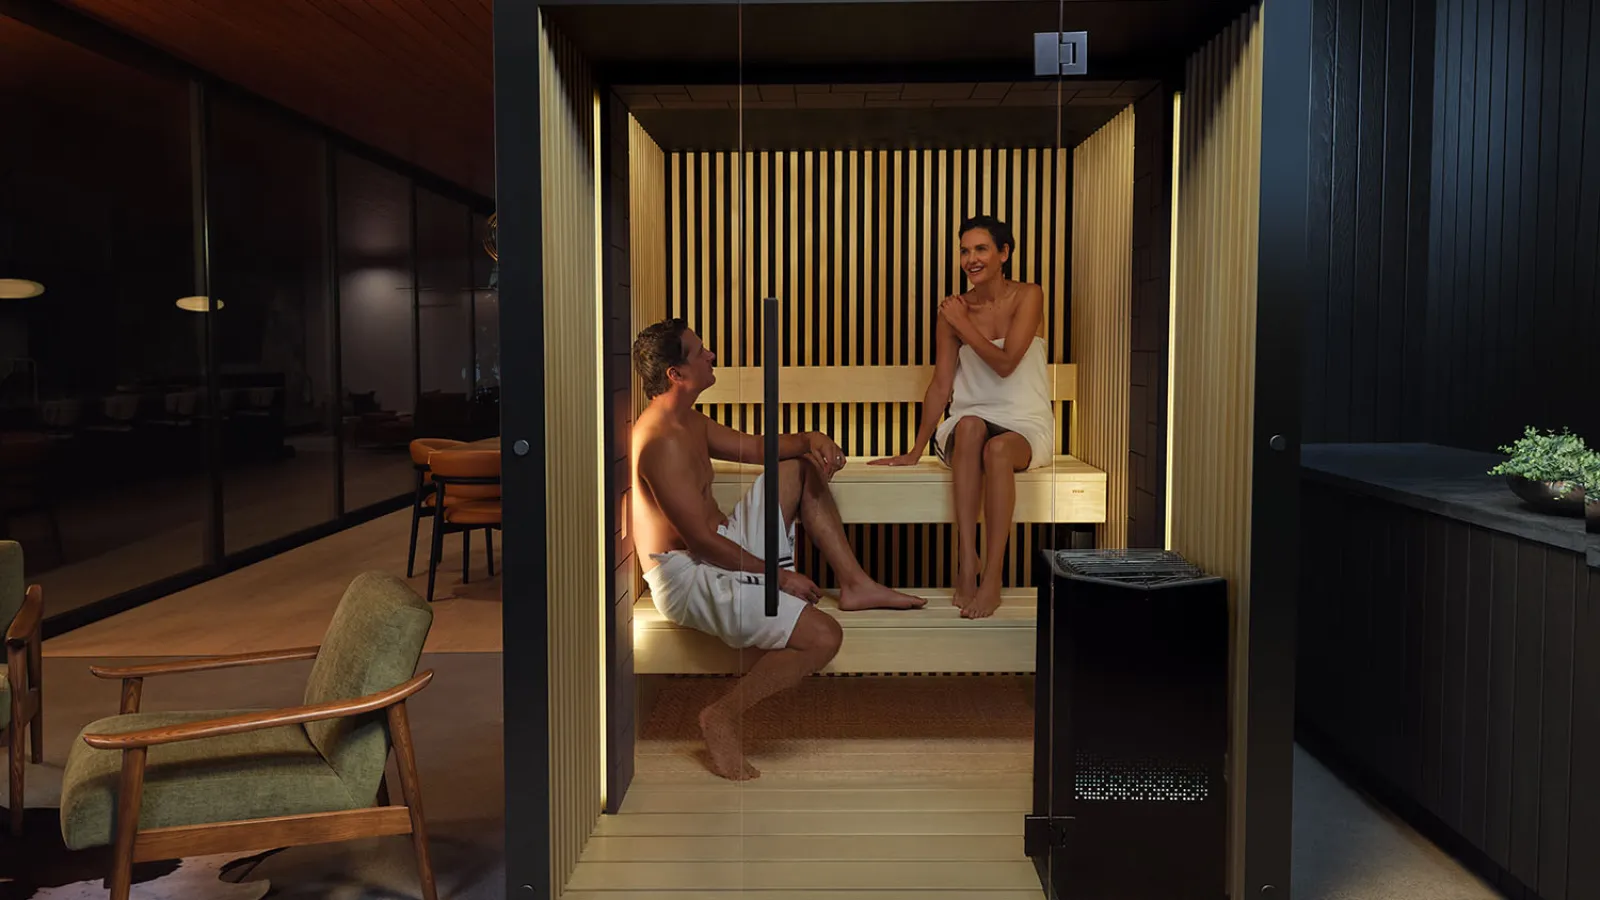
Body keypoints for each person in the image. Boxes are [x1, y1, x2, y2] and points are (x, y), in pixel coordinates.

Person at [630, 317, 925, 780]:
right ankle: (722, 716)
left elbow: (758, 448)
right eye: (699, 351)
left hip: (724, 546)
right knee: (825, 636)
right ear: (676, 374)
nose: (711, 356)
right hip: (692, 576)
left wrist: (809, 438)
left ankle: (856, 583)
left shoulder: (687, 418)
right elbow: (703, 544)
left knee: (796, 467)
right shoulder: (659, 443)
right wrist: (780, 576)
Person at [870, 215, 1054, 619]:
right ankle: (966, 561)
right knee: (971, 428)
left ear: (1004, 254)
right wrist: (916, 449)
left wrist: (962, 324)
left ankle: (992, 577)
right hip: (971, 416)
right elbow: (940, 385)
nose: (971, 259)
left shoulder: (1029, 296)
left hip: (1023, 422)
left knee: (999, 450)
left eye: (981, 249)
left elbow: (1006, 364)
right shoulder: (954, 310)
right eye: (965, 250)